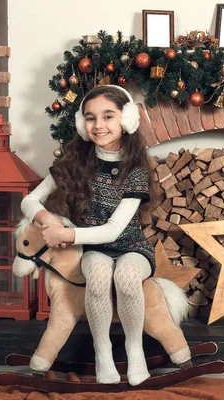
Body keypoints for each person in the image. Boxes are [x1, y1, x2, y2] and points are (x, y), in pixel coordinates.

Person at [21, 85, 156, 385]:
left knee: (126, 276)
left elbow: (114, 230)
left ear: (127, 118)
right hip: (92, 249)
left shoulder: (135, 169)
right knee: (96, 271)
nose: (99, 125)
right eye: (91, 118)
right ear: (83, 124)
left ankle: (135, 351)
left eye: (108, 116)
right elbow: (29, 200)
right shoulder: (74, 162)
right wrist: (47, 223)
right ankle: (102, 350)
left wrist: (66, 234)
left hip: (130, 245)